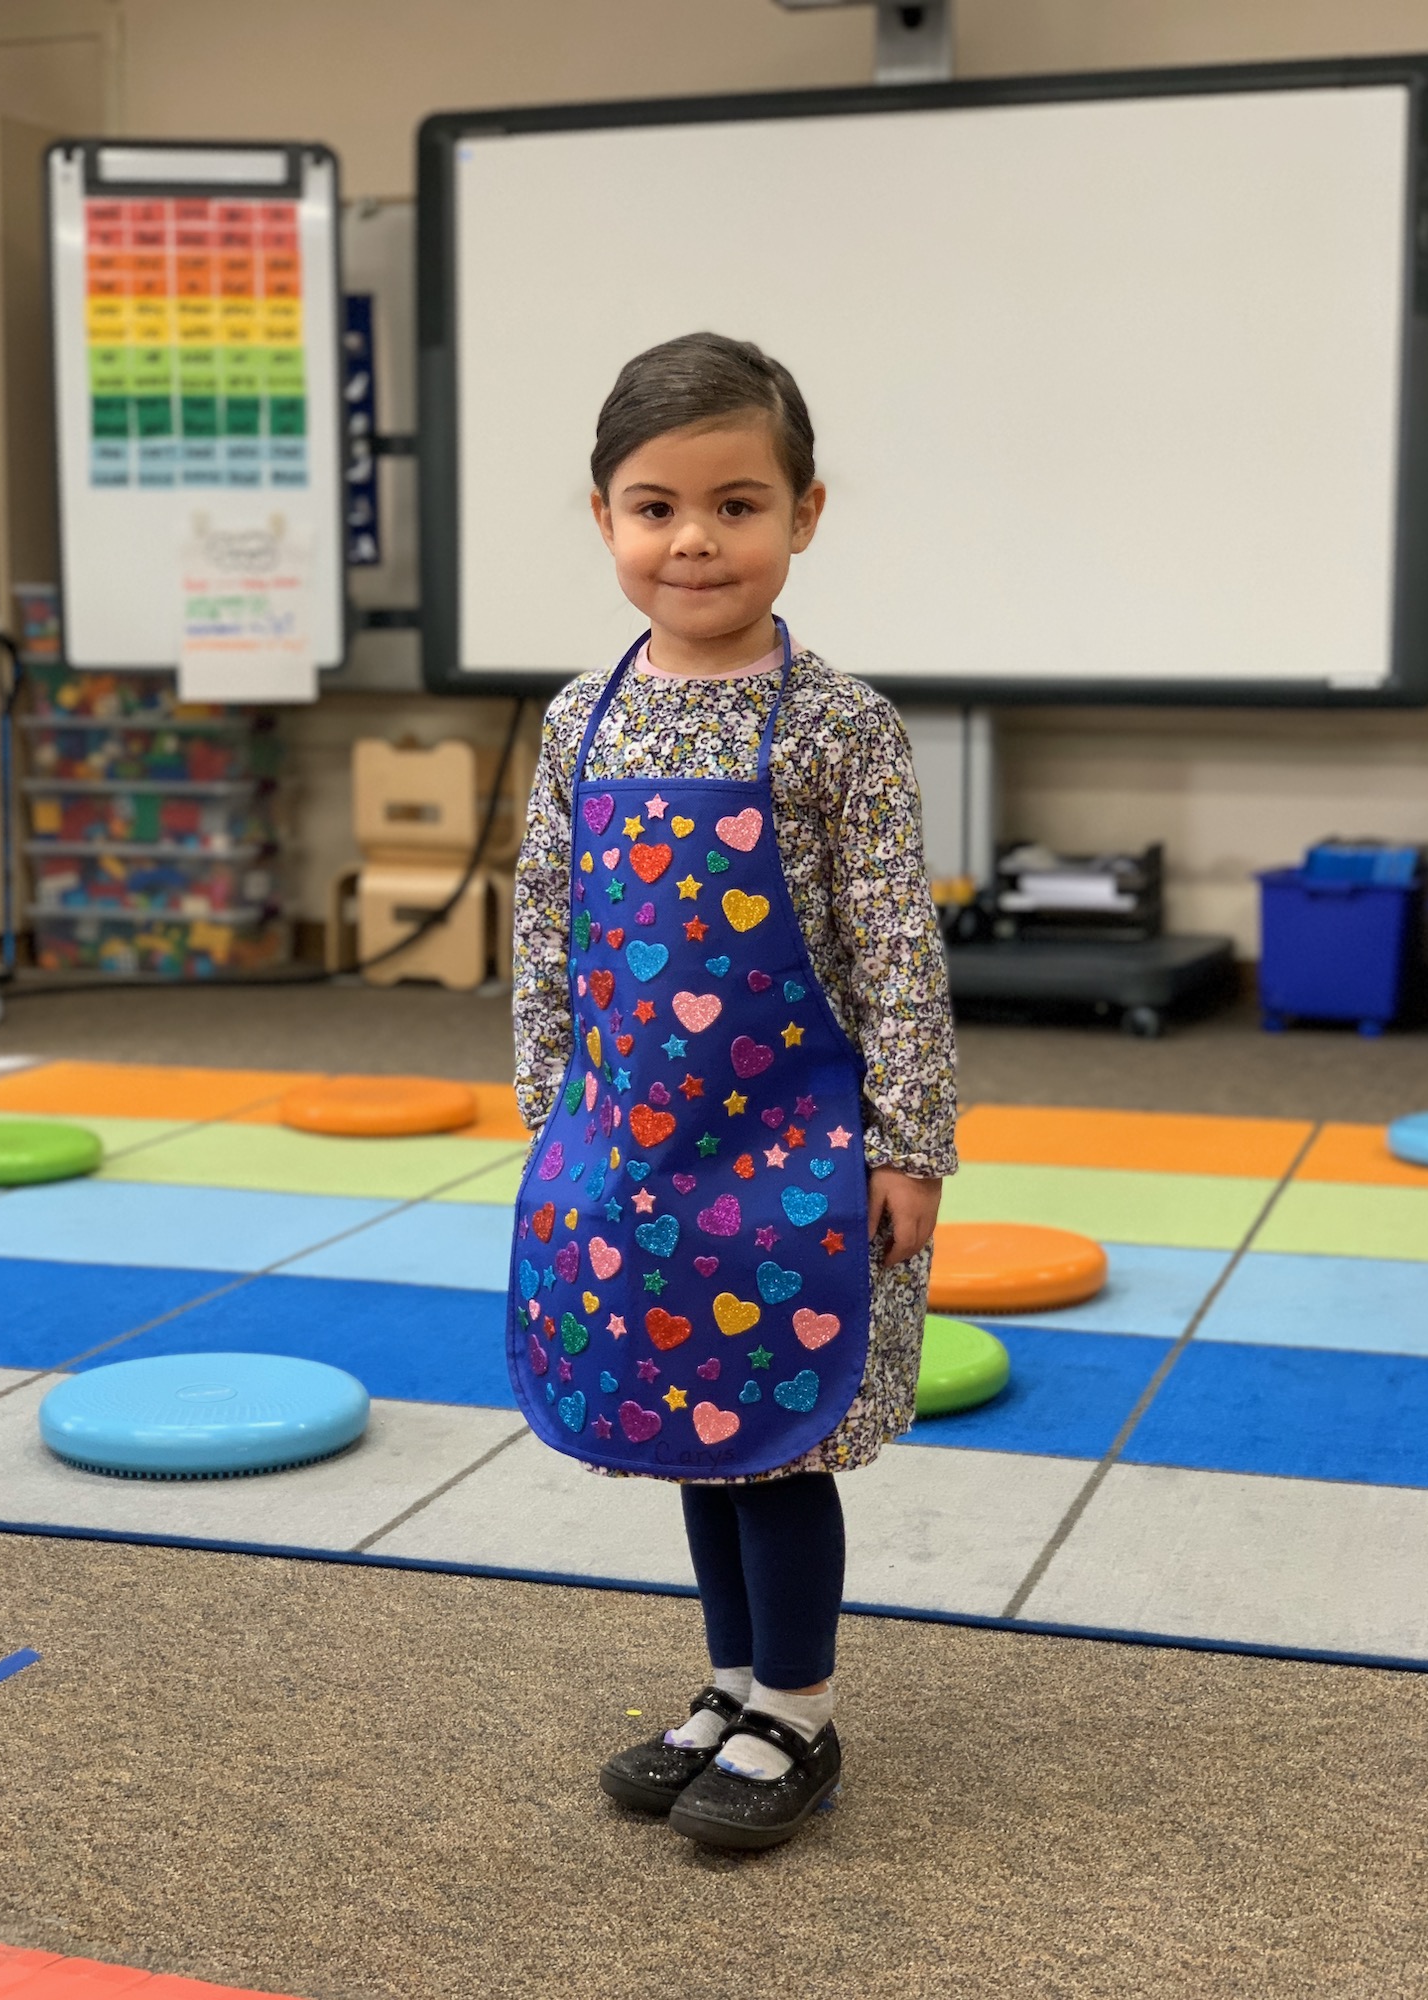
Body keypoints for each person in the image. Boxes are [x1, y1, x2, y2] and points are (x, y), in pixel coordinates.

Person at [510, 331, 956, 1850]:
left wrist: (910, 1143)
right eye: (656, 508)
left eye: (737, 504)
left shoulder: (841, 727)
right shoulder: (582, 716)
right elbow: (549, 926)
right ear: (605, 519)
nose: (693, 540)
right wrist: (552, 1119)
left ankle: (800, 1712)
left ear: (804, 514)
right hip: (633, 1147)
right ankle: (730, 1685)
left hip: (797, 1154)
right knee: (684, 1425)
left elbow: (896, 952)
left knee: (778, 1440)